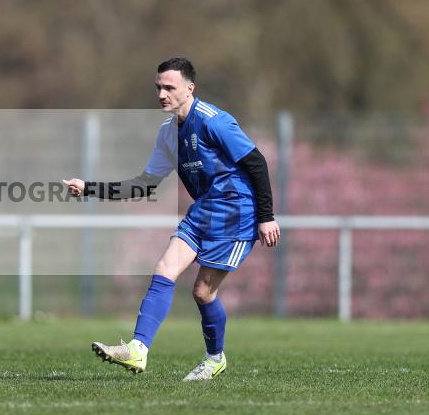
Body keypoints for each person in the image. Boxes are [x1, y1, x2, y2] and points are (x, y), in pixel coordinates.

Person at [63, 57, 280, 381]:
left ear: (189, 89)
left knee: (202, 292)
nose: (162, 94)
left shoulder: (213, 121)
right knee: (164, 268)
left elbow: (256, 162)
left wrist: (266, 217)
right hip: (204, 211)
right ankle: (138, 350)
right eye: (158, 88)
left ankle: (214, 358)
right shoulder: (167, 135)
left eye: (169, 87)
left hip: (237, 214)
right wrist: (90, 188)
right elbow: (144, 184)